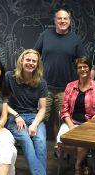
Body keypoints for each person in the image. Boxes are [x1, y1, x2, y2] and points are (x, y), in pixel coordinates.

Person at [5, 49, 54, 175]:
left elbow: (43, 109)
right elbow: (3, 102)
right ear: (21, 61)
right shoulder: (9, 77)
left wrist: (34, 124)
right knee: (26, 140)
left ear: (37, 64)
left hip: (34, 118)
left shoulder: (41, 82)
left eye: (34, 61)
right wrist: (16, 116)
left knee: (40, 142)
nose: (30, 63)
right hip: (15, 118)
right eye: (28, 60)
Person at [34, 7, 86, 140]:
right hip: (44, 87)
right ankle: (39, 144)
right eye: (59, 18)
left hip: (66, 89)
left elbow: (82, 62)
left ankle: (59, 147)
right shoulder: (45, 35)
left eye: (65, 18)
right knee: (41, 119)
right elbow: (34, 55)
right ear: (55, 20)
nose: (62, 21)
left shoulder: (75, 39)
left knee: (61, 119)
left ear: (69, 21)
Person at [56, 56, 95, 175]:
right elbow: (64, 109)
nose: (83, 69)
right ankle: (84, 162)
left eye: (85, 67)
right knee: (60, 142)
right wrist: (72, 126)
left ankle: (78, 166)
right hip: (71, 122)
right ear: (76, 70)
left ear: (90, 69)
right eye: (80, 67)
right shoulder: (70, 86)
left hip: (90, 125)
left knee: (82, 142)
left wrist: (86, 126)